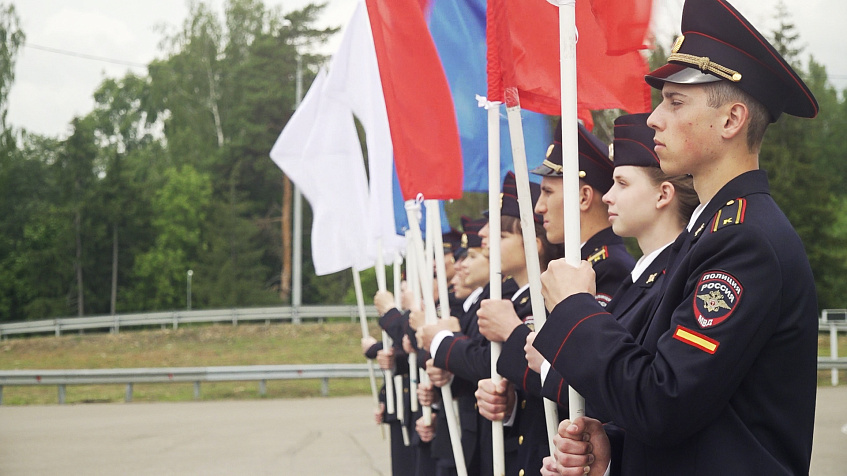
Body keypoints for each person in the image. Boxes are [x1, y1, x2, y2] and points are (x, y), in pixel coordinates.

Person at [534, 0, 820, 474]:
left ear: (731, 120)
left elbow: (662, 401)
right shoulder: (710, 232)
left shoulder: (744, 241)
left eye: (676, 101)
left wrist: (575, 309)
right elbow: (708, 418)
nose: (653, 119)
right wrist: (615, 454)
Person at [532, 121, 635, 306]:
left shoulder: (610, 268)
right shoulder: (582, 263)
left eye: (548, 192)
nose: (539, 207)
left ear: (584, 197)